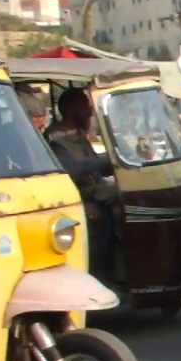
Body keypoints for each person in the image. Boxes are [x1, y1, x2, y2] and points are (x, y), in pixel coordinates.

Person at [44, 88, 118, 276]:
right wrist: (106, 159)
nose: (89, 112)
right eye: (85, 106)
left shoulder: (77, 135)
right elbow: (74, 169)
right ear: (72, 109)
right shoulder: (56, 139)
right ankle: (99, 274)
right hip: (73, 198)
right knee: (102, 217)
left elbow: (93, 164)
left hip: (92, 190)